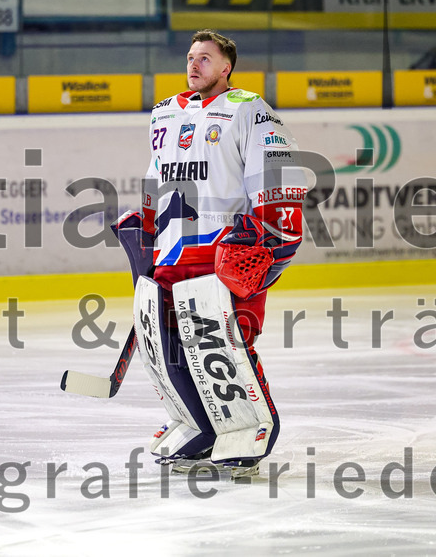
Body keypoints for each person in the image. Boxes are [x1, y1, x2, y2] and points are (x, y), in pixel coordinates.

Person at [114, 30, 306, 480]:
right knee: (168, 349)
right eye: (190, 57)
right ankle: (200, 427)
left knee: (225, 342)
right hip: (171, 250)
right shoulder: (164, 113)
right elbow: (155, 176)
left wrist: (270, 236)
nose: (194, 64)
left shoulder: (249, 110)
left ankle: (247, 428)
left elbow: (276, 171)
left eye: (205, 57)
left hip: (225, 251)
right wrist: (144, 226)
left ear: (226, 67)